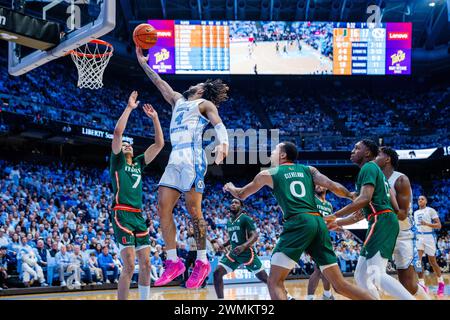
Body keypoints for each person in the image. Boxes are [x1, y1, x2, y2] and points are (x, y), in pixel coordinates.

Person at [223, 142, 374, 300]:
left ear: (283, 155)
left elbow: (241, 194)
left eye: (275, 149)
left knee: (274, 281)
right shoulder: (309, 169)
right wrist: (351, 196)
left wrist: (231, 187)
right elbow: (331, 185)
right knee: (340, 285)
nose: (272, 152)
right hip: (318, 222)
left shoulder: (269, 173)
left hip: (298, 222)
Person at [136, 47, 230, 289]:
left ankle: (201, 261)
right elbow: (159, 82)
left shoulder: (204, 103)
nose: (193, 85)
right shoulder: (178, 100)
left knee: (193, 209)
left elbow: (218, 123)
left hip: (192, 157)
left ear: (201, 90)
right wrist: (143, 62)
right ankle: (173, 261)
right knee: (162, 207)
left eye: (197, 84)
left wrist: (223, 144)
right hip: (174, 158)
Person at [325, 140, 415, 300]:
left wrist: (335, 215)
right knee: (361, 276)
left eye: (357, 148)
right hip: (379, 220)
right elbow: (360, 214)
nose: (352, 151)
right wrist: (336, 223)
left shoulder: (368, 167)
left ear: (367, 153)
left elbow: (364, 199)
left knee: (376, 274)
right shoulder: (375, 172)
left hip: (381, 220)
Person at [110, 91, 164, 299]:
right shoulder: (117, 161)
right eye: (124, 145)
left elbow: (159, 144)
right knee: (130, 265)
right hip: (122, 213)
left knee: (147, 263)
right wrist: (129, 108)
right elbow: (117, 133)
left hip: (138, 216)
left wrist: (156, 119)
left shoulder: (139, 162)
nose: (127, 145)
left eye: (129, 144)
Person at [375, 147, 430, 299]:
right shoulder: (374, 179)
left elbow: (402, 214)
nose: (375, 156)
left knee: (409, 286)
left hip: (403, 235)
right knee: (371, 274)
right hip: (384, 234)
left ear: (387, 159)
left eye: (379, 154)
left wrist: (380, 210)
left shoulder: (400, 179)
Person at [213, 199, 293, 300]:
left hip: (247, 254)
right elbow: (233, 237)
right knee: (217, 273)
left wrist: (243, 246)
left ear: (241, 207)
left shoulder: (245, 219)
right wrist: (224, 245)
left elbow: (255, 236)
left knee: (267, 280)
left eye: (236, 203)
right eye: (232, 202)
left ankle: (287, 296)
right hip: (234, 254)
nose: (233, 204)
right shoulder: (229, 221)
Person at [306, 185, 335, 300]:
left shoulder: (329, 205)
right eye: (316, 184)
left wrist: (337, 226)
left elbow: (329, 223)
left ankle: (327, 294)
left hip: (324, 238)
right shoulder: (312, 199)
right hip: (313, 236)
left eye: (321, 184)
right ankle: (312, 297)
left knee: (325, 268)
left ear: (326, 188)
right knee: (319, 270)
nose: (318, 186)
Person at [414, 195, 444, 296]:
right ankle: (422, 284)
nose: (420, 200)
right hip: (418, 237)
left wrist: (427, 224)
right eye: (418, 199)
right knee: (417, 261)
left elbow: (439, 225)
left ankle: (441, 283)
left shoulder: (430, 210)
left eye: (422, 199)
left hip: (429, 237)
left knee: (432, 262)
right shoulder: (415, 212)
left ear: (426, 201)